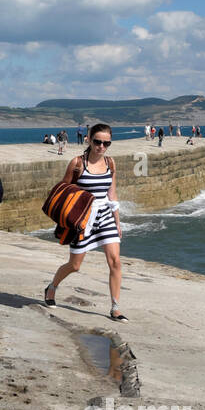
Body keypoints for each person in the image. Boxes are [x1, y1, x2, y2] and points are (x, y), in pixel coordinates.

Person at [42, 122, 127, 322]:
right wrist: (67, 219)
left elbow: (112, 193)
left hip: (105, 216)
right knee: (75, 265)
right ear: (88, 139)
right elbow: (63, 190)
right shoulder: (77, 163)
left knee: (115, 261)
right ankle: (52, 287)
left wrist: (117, 222)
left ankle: (115, 308)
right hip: (82, 219)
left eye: (107, 143)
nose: (102, 147)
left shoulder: (111, 163)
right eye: (98, 142)